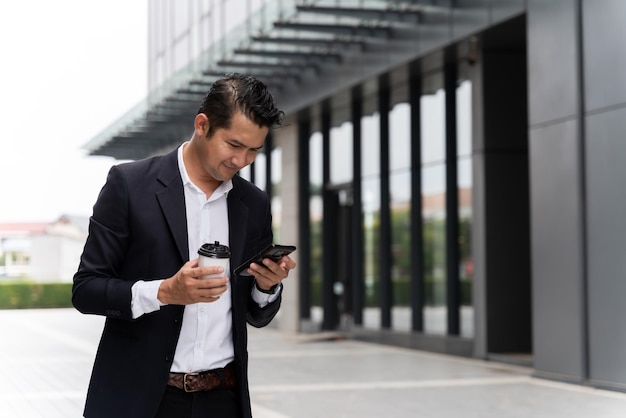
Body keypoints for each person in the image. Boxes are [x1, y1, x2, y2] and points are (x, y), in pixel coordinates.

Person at [72, 73, 296, 418]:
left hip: (223, 400)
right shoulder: (129, 186)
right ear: (202, 125)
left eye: (253, 150)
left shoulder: (254, 203)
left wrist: (267, 287)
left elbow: (255, 313)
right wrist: (163, 292)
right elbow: (86, 290)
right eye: (234, 145)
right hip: (143, 401)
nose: (242, 161)